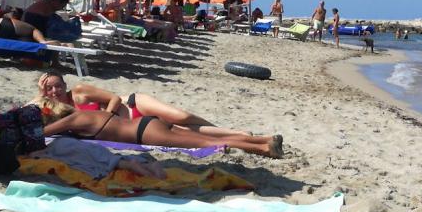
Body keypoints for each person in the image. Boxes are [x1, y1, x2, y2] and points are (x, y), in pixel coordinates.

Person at [35, 73, 266, 142]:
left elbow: (114, 97)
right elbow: (31, 106)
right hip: (134, 125)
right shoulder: (57, 110)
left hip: (133, 105)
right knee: (184, 131)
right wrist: (40, 90)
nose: (55, 91)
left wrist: (104, 117)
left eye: (58, 86)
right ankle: (239, 135)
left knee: (183, 117)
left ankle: (228, 131)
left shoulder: (79, 91)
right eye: (50, 89)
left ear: (65, 84)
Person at [43, 110, 282, 158]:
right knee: (208, 139)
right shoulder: (85, 114)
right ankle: (263, 139)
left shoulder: (74, 120)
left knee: (208, 141)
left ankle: (263, 148)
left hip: (144, 133)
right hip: (147, 122)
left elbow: (44, 133)